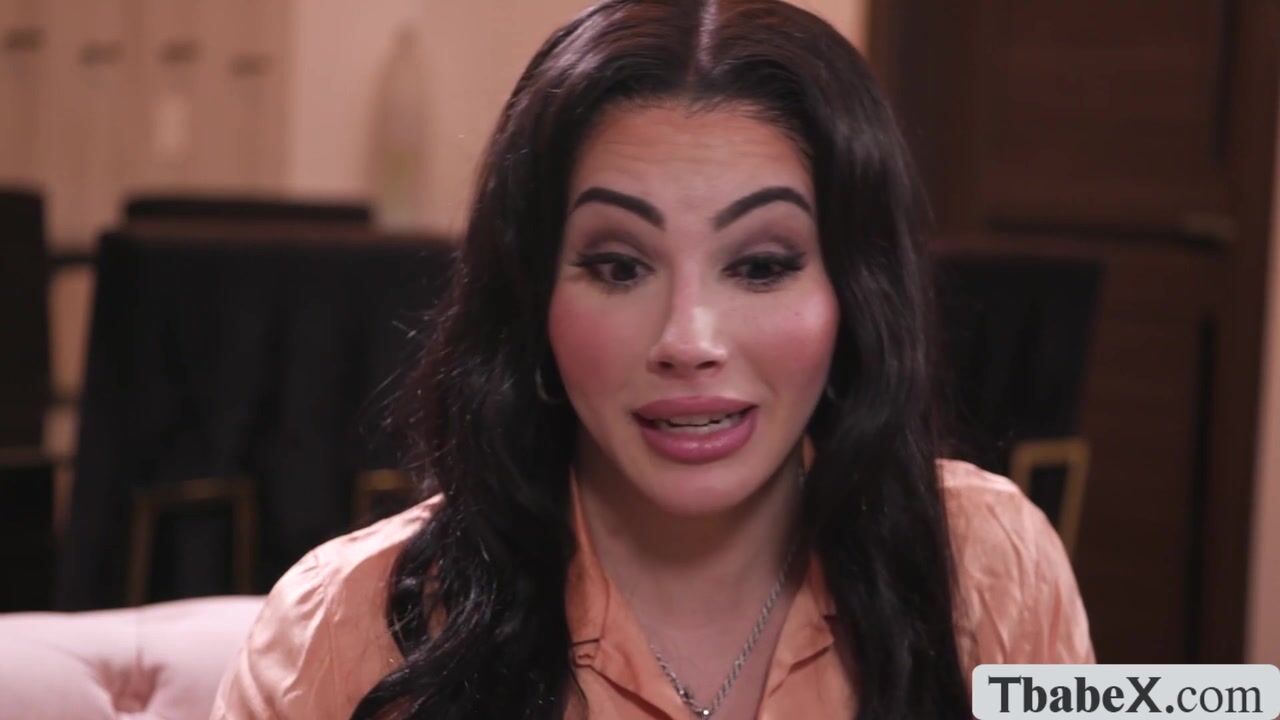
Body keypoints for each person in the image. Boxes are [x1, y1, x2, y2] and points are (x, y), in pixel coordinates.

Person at [212, 0, 1094, 718]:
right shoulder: (342, 627)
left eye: (761, 266)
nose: (688, 342)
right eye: (619, 267)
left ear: (855, 295)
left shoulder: (989, 564)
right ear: (532, 298)